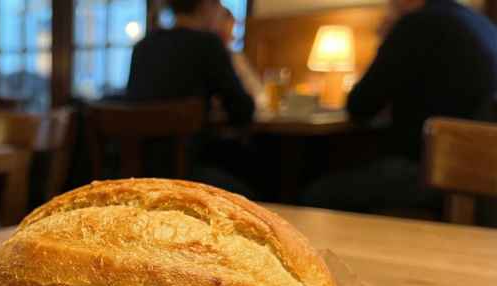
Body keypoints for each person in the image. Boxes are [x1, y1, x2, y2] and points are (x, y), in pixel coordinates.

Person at [301, 0, 497, 215]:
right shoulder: (479, 21)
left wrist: (387, 38)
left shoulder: (416, 24)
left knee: (317, 194)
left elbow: (360, 105)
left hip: (429, 171)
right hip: (479, 178)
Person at [125, 0, 256, 197]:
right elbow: (242, 110)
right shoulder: (209, 44)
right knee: (255, 179)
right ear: (206, 6)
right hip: (187, 175)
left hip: (138, 172)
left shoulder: (143, 46)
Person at [215, 7, 264, 104]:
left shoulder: (235, 56)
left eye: (231, 30)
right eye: (224, 32)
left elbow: (257, 89)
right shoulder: (210, 56)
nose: (231, 36)